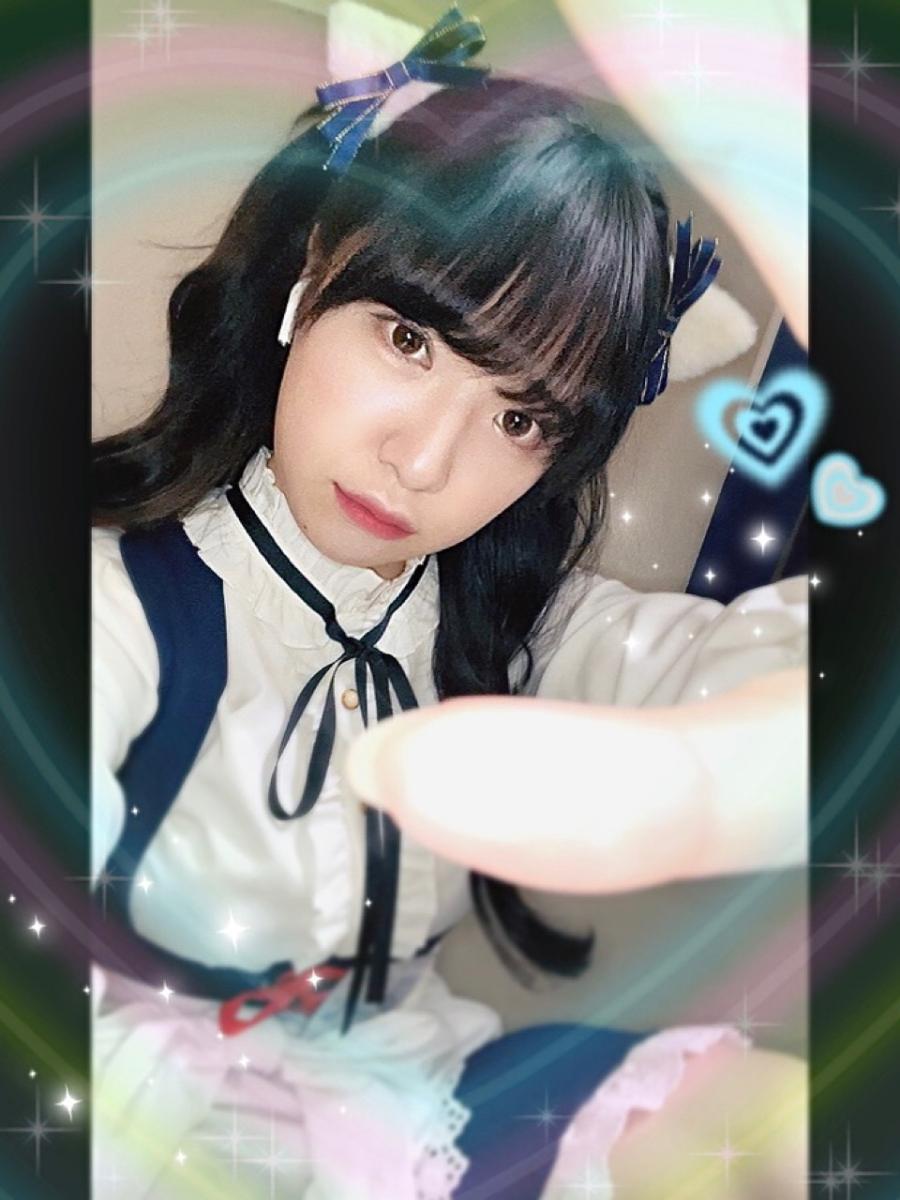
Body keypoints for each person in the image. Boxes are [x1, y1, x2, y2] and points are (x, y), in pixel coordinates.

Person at [91, 9, 806, 1198]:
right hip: (156, 1106)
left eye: (521, 417)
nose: (424, 463)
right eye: (409, 339)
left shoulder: (517, 625)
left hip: (427, 1092)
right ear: (315, 270)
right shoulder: (116, 596)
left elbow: (799, 674)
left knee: (786, 1132)